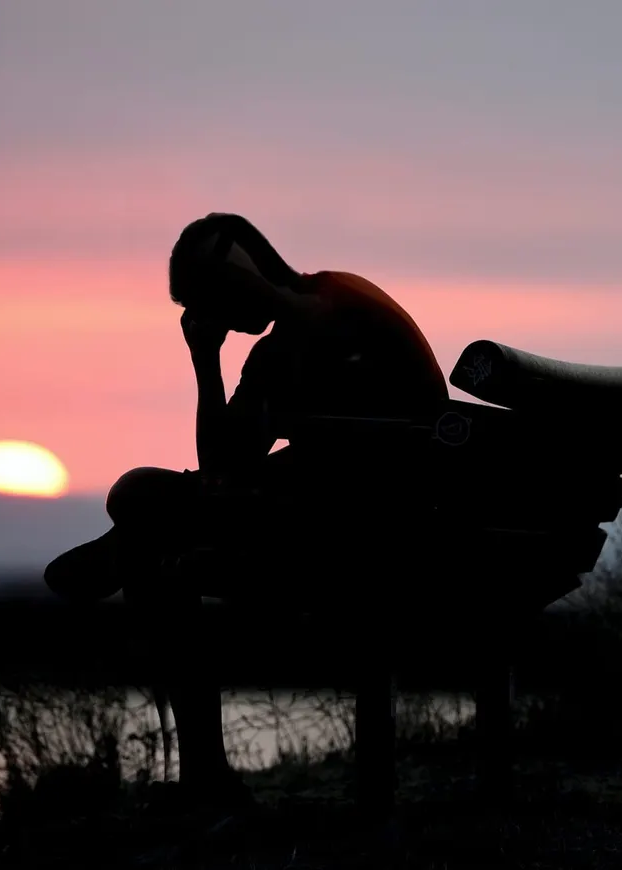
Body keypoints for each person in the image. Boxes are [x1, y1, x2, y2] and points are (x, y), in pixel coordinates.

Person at [44, 212, 448, 808]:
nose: (214, 317)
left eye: (212, 298)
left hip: (362, 533)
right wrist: (206, 361)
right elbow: (221, 465)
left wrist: (254, 289)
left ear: (243, 275)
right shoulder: (281, 346)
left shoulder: (339, 307)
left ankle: (205, 777)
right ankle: (131, 550)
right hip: (336, 519)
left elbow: (233, 473)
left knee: (140, 508)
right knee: (146, 522)